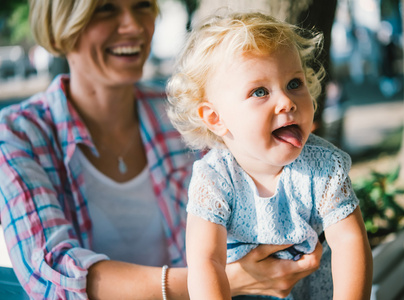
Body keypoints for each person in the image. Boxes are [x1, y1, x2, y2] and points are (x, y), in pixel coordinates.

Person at [0, 1, 323, 299]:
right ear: (62, 25)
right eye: (106, 9)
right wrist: (223, 279)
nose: (134, 26)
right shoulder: (16, 134)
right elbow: (52, 273)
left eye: (142, 5)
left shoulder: (183, 116)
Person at [166, 11, 373, 300]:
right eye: (260, 91)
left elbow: (349, 241)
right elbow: (206, 261)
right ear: (215, 118)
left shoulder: (323, 166)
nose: (287, 102)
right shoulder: (214, 179)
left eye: (294, 83)